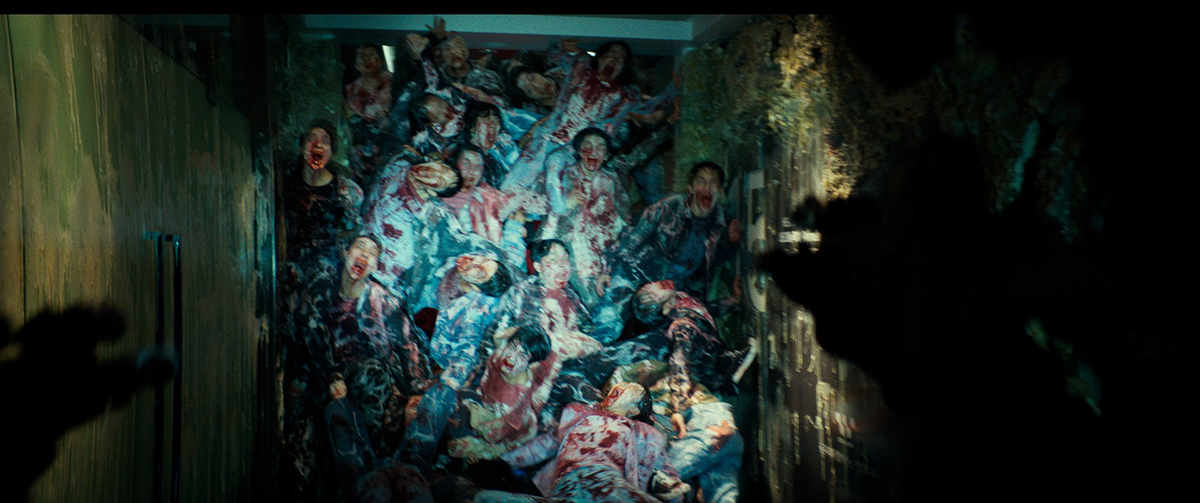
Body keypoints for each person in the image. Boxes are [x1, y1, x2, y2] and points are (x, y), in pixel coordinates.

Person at [591, 162, 740, 343]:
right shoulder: (668, 207)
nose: (707, 187)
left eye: (713, 183)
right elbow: (632, 238)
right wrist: (607, 269)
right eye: (701, 181)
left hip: (674, 290)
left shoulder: (721, 222)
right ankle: (590, 349)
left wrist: (732, 242)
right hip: (640, 274)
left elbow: (718, 261)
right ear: (691, 187)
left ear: (720, 191)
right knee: (609, 321)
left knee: (676, 337)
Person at [475, 382, 689, 503]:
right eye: (619, 385)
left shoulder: (647, 434)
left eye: (628, 389)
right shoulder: (577, 413)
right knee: (483, 499)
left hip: (610, 483)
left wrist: (670, 488)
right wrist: (502, 463)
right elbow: (544, 445)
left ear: (634, 410)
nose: (620, 386)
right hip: (566, 485)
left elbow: (668, 476)